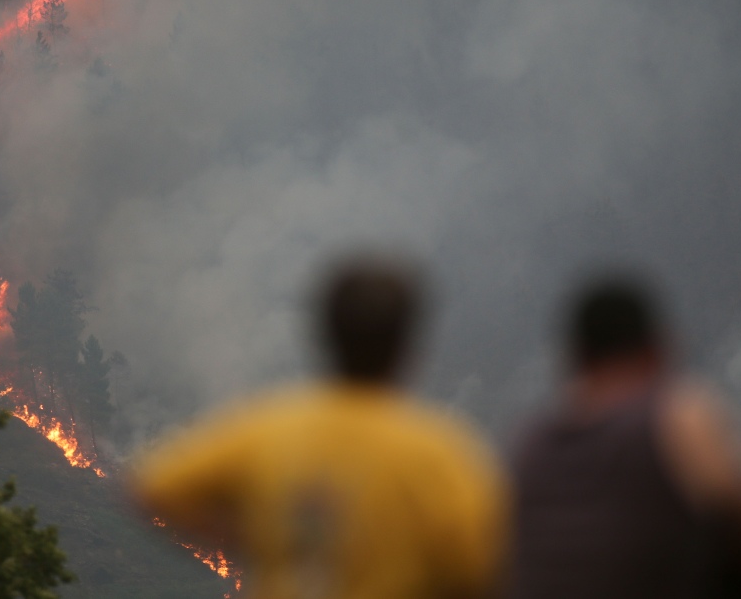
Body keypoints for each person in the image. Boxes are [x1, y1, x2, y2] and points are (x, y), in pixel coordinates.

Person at [131, 255, 506, 599]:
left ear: (325, 334)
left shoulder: (269, 427)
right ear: (406, 345)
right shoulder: (440, 453)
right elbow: (483, 569)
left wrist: (252, 543)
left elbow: (154, 487)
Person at [509, 275, 741, 598]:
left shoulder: (528, 446)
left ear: (577, 360)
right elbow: (736, 510)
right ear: (657, 350)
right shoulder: (677, 415)